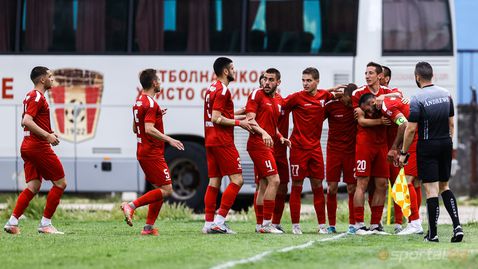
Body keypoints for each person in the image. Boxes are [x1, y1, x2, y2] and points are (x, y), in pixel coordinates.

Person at [399, 62, 463, 243]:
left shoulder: (417, 98)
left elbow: (410, 130)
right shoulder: (446, 94)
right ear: (432, 75)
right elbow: (451, 124)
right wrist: (449, 142)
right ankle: (457, 226)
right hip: (445, 143)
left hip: (427, 145)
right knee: (445, 186)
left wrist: (404, 152)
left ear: (417, 77)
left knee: (431, 189)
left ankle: (433, 234)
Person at [4, 66, 68, 234]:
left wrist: (48, 131)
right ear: (42, 80)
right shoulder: (38, 97)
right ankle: (45, 224)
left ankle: (12, 222)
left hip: (27, 145)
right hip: (37, 146)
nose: (52, 79)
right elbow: (26, 120)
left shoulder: (29, 96)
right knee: (60, 183)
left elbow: (24, 121)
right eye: (50, 76)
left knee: (33, 186)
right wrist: (47, 136)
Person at [121, 69, 184, 235]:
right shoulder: (150, 103)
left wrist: (157, 116)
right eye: (159, 81)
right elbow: (148, 129)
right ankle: (131, 206)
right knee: (168, 190)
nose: (161, 83)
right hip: (152, 153)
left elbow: (136, 128)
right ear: (154, 83)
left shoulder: (139, 101)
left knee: (159, 190)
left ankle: (148, 228)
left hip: (143, 151)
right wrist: (169, 139)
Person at [283, 67, 342, 234]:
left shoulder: (324, 96)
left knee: (318, 186)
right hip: (298, 149)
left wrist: (340, 89)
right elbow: (278, 107)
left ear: (317, 81)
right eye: (303, 80)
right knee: (296, 185)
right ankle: (295, 225)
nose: (305, 83)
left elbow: (333, 94)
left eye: (309, 80)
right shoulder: (295, 98)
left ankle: (322, 225)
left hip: (315, 149)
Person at [202, 57, 255, 234]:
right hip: (222, 141)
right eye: (232, 68)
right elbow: (216, 118)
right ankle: (220, 221)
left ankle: (208, 223)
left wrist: (241, 113)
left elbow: (221, 112)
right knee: (238, 180)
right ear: (225, 71)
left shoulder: (211, 88)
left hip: (210, 140)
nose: (234, 71)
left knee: (214, 181)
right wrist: (241, 124)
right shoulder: (223, 90)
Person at [359, 93, 424, 235]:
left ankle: (415, 222)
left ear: (373, 101)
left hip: (415, 138)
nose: (370, 112)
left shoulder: (385, 106)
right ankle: (416, 221)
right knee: (417, 182)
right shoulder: (390, 100)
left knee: (407, 181)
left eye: (369, 109)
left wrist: (395, 148)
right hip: (423, 136)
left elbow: (404, 125)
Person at [350, 62, 400, 235]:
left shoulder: (386, 92)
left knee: (381, 184)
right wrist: (380, 121)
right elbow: (361, 121)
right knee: (362, 183)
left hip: (382, 145)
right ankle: (358, 224)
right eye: (366, 72)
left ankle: (375, 224)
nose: (367, 76)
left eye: (371, 73)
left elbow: (399, 95)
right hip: (364, 143)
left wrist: (384, 99)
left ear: (379, 76)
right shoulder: (358, 93)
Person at [246, 68, 290, 234]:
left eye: (271, 80)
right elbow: (250, 120)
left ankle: (259, 225)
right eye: (265, 79)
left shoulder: (278, 99)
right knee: (275, 181)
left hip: (269, 145)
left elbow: (271, 125)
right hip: (257, 144)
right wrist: (263, 132)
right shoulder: (256, 94)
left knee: (264, 183)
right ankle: (266, 224)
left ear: (278, 82)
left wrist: (279, 136)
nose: (266, 82)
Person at [324, 83, 357, 234]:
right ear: (342, 95)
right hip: (334, 152)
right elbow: (316, 106)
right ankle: (331, 224)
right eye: (347, 99)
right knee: (332, 188)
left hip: (351, 152)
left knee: (352, 188)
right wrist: (329, 93)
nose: (349, 103)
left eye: (351, 100)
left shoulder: (357, 106)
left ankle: (352, 224)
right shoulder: (331, 105)